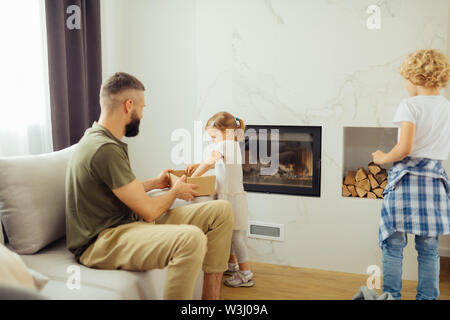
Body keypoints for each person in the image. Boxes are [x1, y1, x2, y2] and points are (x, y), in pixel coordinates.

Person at [65, 72, 234, 300]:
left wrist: (155, 183)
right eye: (142, 108)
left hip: (127, 223)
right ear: (128, 106)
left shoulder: (103, 139)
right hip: (102, 241)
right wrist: (174, 191)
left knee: (221, 211)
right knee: (191, 239)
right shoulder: (104, 148)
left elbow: (116, 189)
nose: (142, 114)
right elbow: (150, 210)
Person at [372, 49, 450, 300]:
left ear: (416, 78)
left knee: (393, 246)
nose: (406, 85)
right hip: (435, 183)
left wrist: (383, 158)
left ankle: (391, 296)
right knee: (429, 250)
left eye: (406, 79)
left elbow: (405, 148)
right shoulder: (447, 107)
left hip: (407, 182)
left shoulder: (409, 105)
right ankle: (427, 297)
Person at [185, 112, 254, 287]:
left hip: (233, 200)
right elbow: (216, 165)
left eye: (214, 136)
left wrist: (191, 178)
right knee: (230, 234)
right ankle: (232, 265)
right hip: (232, 197)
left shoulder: (226, 144)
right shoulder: (232, 145)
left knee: (237, 237)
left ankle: (245, 273)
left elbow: (209, 162)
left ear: (227, 131)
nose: (213, 140)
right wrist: (196, 165)